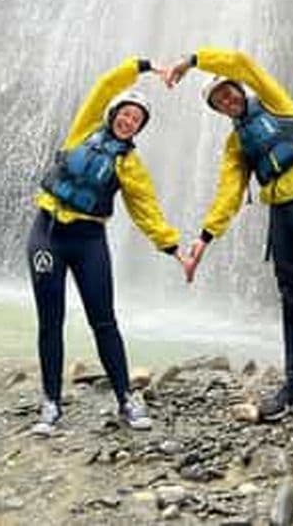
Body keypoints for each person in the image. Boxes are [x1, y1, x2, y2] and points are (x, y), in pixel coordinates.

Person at [164, 47, 293, 438]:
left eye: (228, 92)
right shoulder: (236, 145)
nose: (227, 100)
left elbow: (240, 62)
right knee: (291, 300)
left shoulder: (275, 101)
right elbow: (229, 194)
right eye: (219, 101)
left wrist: (191, 62)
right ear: (218, 110)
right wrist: (204, 240)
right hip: (282, 216)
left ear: (239, 89)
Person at [27, 56, 182, 435]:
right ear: (113, 113)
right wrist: (145, 67)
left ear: (139, 129)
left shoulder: (129, 165)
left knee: (104, 320)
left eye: (136, 121)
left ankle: (126, 398)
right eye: (125, 114)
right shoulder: (83, 130)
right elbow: (106, 85)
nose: (128, 121)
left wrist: (174, 248)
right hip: (46, 235)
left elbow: (146, 210)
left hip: (88, 241)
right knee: (51, 321)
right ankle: (50, 403)